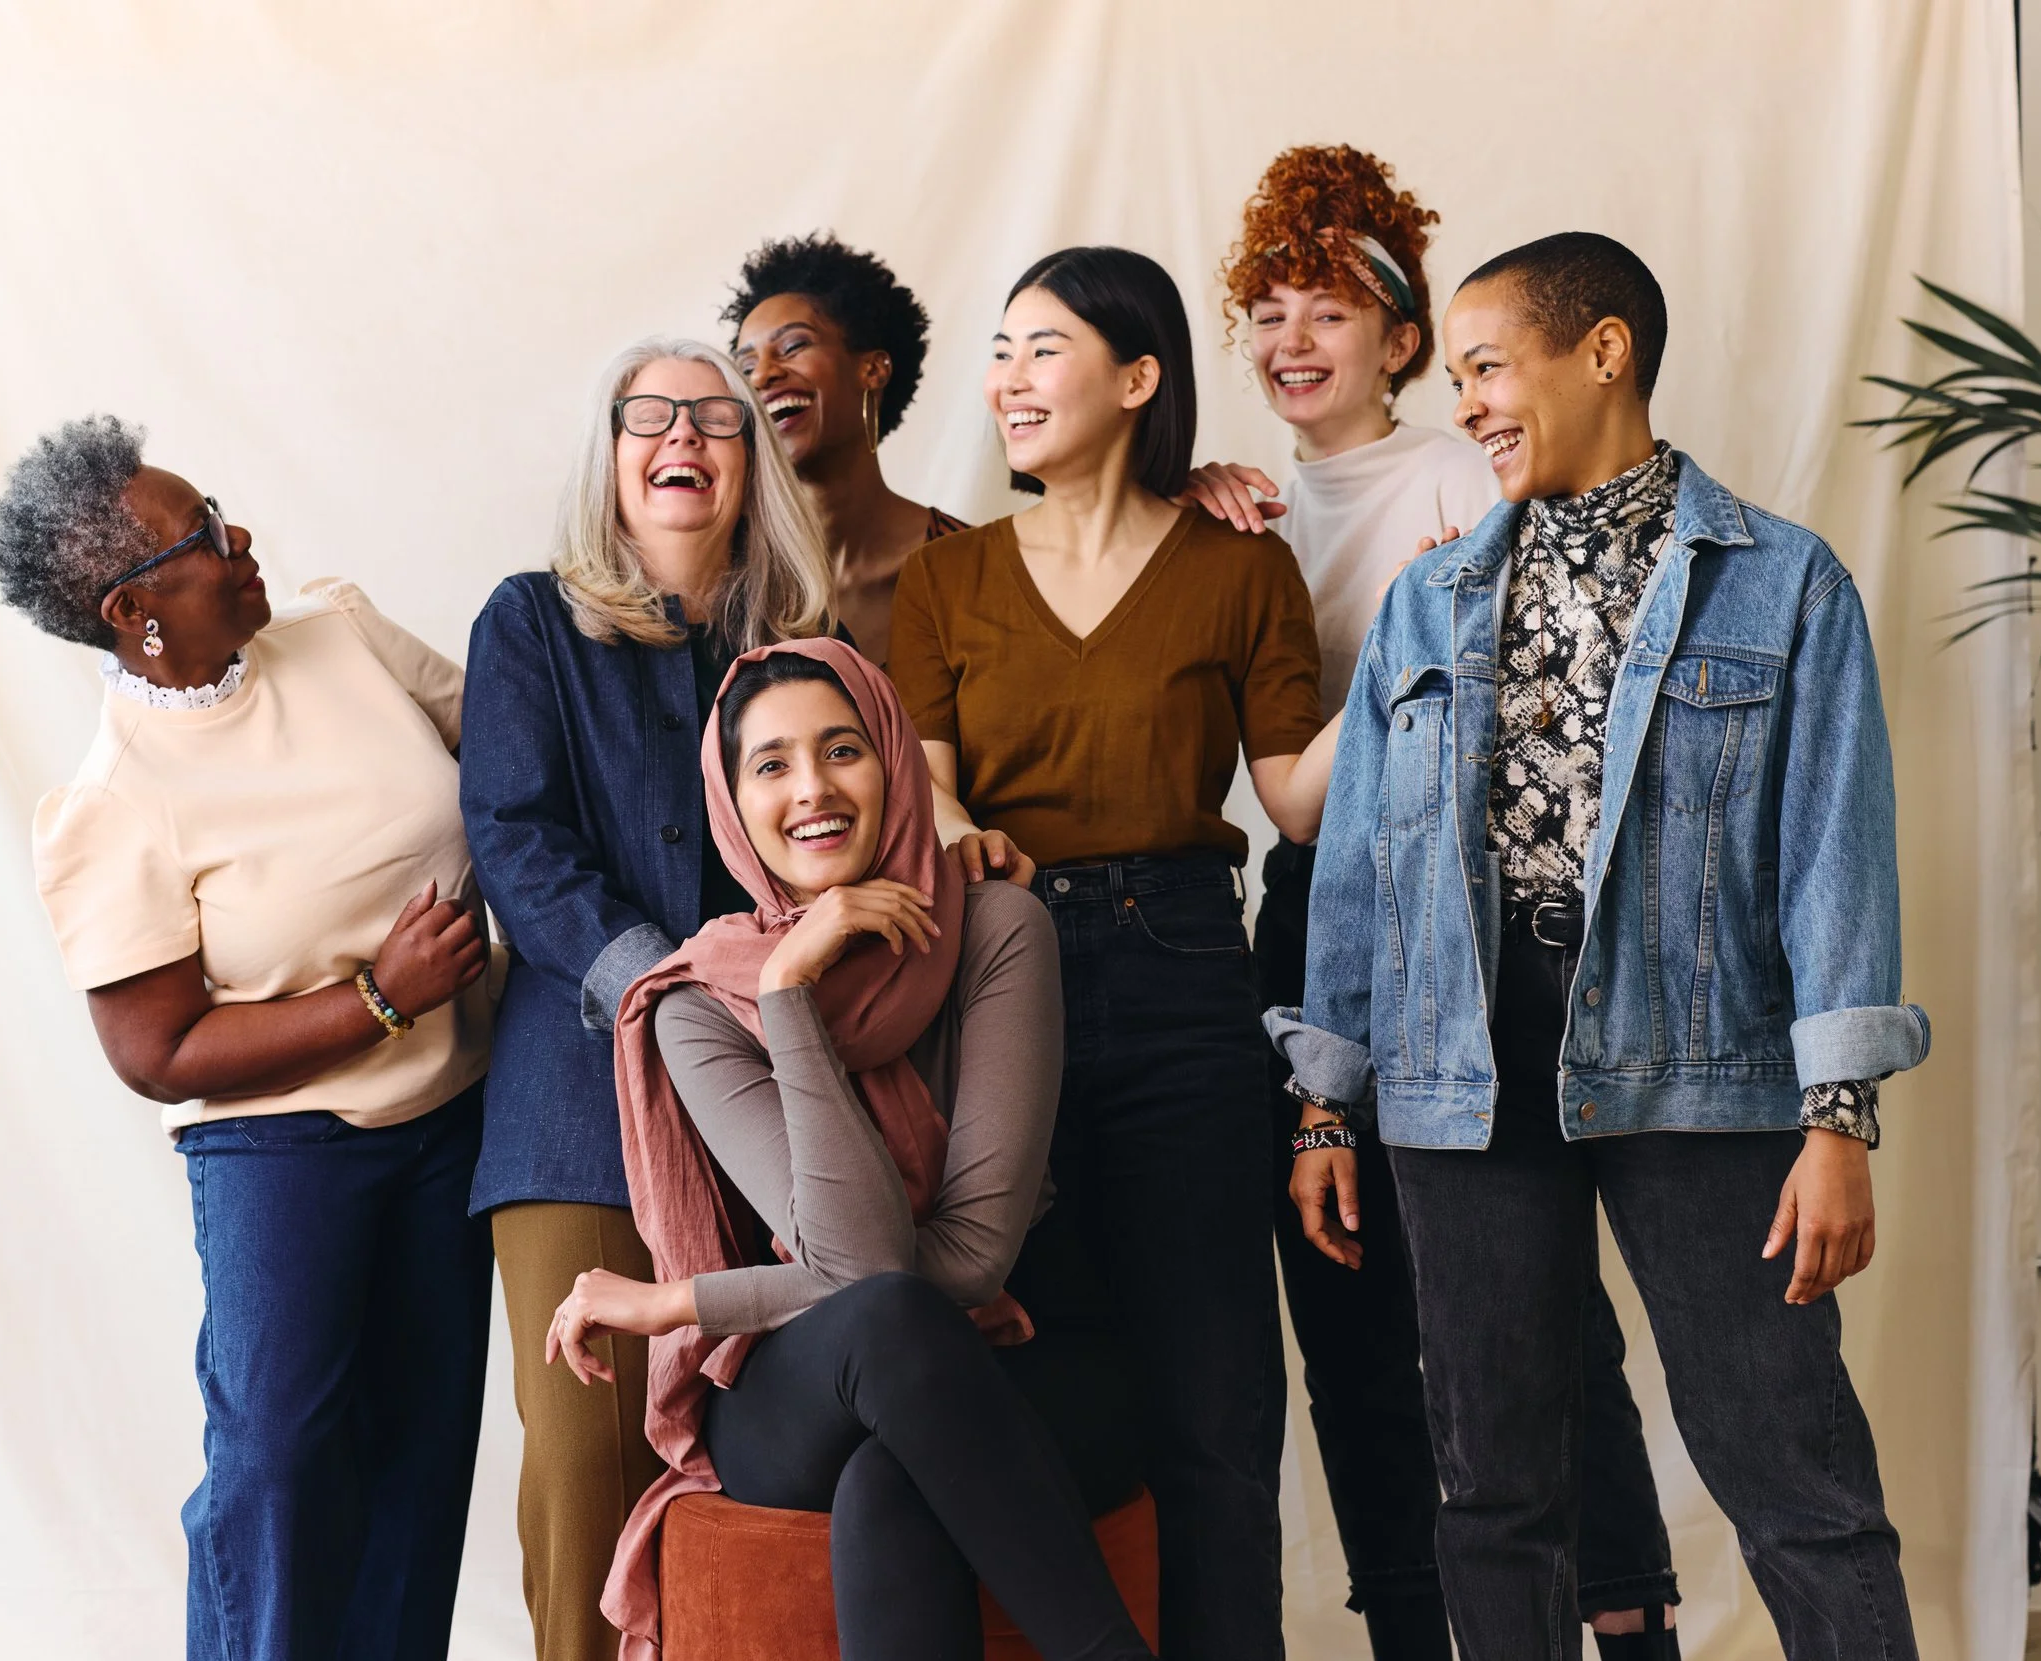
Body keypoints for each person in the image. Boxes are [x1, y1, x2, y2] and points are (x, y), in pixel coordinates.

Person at [1273, 232, 1928, 1660]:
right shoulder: (1426, 604)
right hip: (1464, 1059)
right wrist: (1329, 1097)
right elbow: (1364, 871)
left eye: (1491, 367)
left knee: (1793, 1472)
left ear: (1605, 352)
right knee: (1494, 1485)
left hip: (1699, 1052)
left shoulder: (1783, 584)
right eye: (1458, 379)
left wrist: (1839, 1118)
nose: (1472, 406)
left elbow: (1834, 856)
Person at [1184, 146, 1683, 1657]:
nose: (1289, 341)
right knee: (1345, 1312)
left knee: (1533, 1313)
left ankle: (1626, 1620)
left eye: (1327, 311)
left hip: (1471, 915)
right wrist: (1189, 512)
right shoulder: (1228, 506)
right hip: (1312, 907)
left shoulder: (1474, 465)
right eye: (1264, 310)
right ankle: (1412, 1623)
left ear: (1403, 339)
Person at [891, 245, 1345, 1661]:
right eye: (1003, 351)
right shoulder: (946, 575)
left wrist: (1415, 648)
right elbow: (921, 776)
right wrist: (963, 824)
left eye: (1045, 350)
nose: (1008, 380)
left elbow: (1288, 797)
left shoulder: (1241, 567)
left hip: (1189, 978)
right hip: (1000, 975)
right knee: (1034, 1369)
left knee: (1214, 1400)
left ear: (1136, 379)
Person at [0, 416, 495, 1661]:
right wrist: (378, 997)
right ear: (136, 610)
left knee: (422, 1452)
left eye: (219, 509)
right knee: (280, 1463)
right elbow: (158, 1049)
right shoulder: (113, 805)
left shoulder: (341, 635)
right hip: (284, 1151)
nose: (242, 538)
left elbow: (509, 755)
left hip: (458, 1113)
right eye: (204, 535)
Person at [549, 637, 1152, 1661]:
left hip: (1031, 1345)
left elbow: (967, 1264)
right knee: (882, 1320)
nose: (812, 789)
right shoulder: (698, 1003)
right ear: (731, 803)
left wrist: (679, 1302)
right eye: (770, 764)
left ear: (893, 760)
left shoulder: (997, 929)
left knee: (891, 1477)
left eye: (843, 749)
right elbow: (866, 1270)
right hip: (799, 1378)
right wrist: (786, 989)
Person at [458, 337, 835, 1661]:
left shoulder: (804, 644)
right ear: (613, 453)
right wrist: (667, 985)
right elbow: (514, 843)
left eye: (716, 418)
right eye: (651, 416)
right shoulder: (528, 622)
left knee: (751, 1473)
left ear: (754, 459)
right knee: (583, 1473)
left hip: (767, 1106)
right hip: (573, 1111)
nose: (682, 435)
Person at [726, 233, 969, 665]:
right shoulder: (726, 576)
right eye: (745, 367)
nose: (762, 375)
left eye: (793, 346)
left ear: (872, 369)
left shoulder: (971, 565)